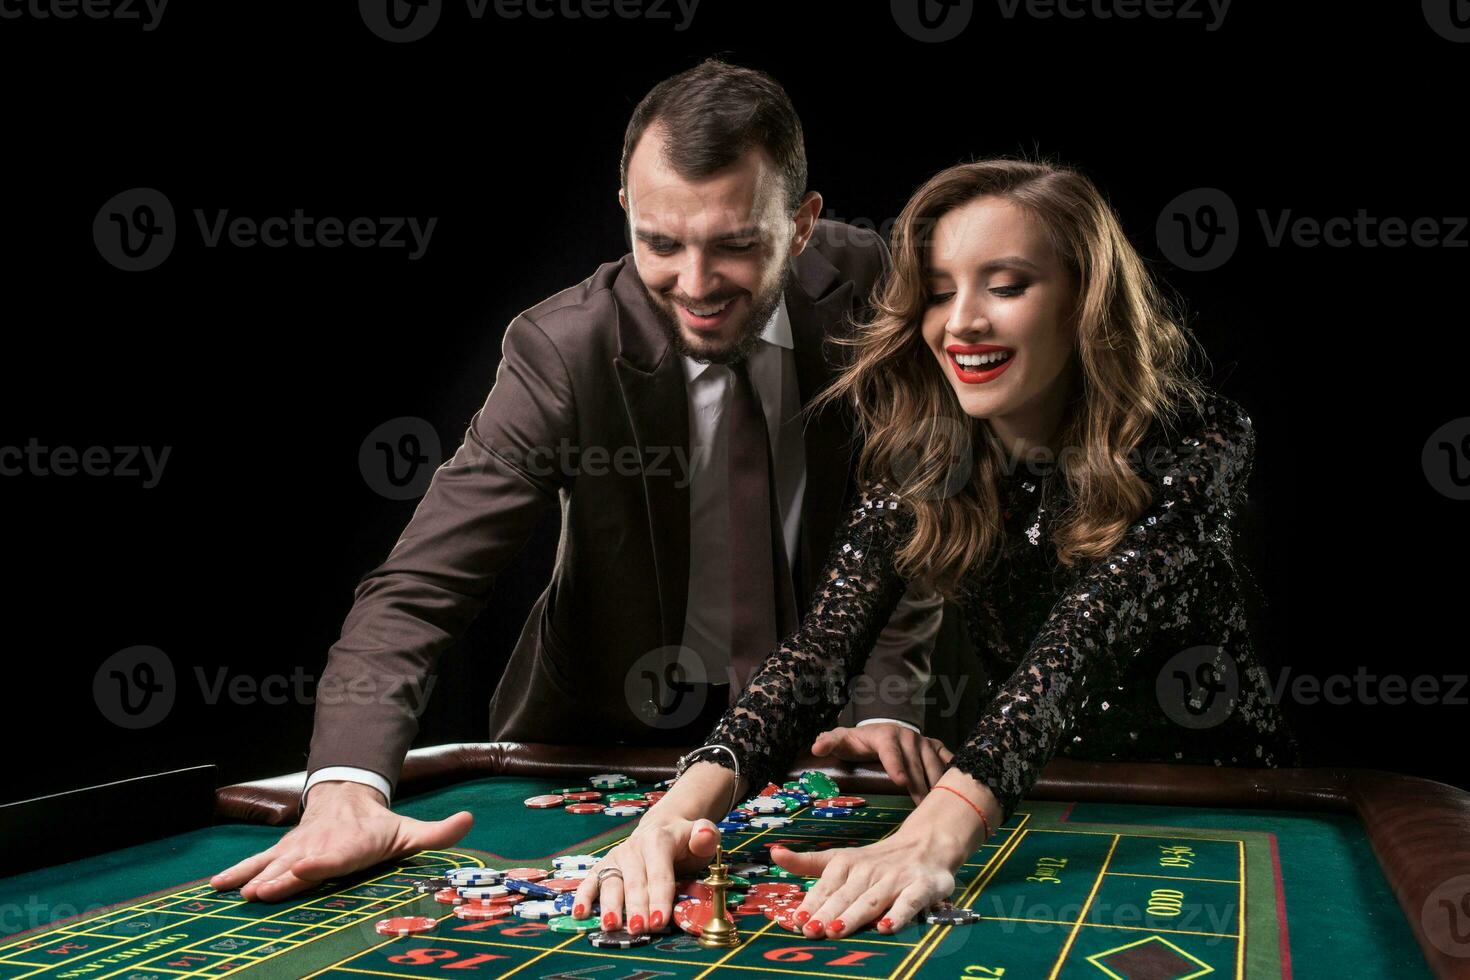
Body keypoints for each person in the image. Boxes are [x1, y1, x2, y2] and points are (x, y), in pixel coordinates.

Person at [209, 59, 955, 904]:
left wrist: (887, 704)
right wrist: (345, 790)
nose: (698, 283)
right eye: (661, 243)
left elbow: (917, 517)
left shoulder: (882, 296)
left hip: (824, 741)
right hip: (595, 737)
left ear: (805, 224)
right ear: (627, 214)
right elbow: (416, 589)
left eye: (737, 244)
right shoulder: (562, 350)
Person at [571, 157, 1302, 940]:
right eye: (941, 291)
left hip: (1219, 812)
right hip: (1030, 801)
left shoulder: (1200, 443)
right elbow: (817, 658)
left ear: (1083, 303)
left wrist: (932, 834)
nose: (961, 324)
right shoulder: (926, 461)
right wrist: (674, 813)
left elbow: (1077, 644)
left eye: (1007, 285)